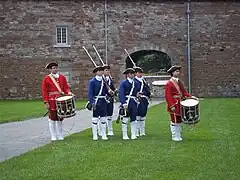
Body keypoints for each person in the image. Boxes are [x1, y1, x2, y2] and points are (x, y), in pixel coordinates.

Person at [42, 62, 73, 141]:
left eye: (56, 68)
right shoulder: (47, 78)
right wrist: (46, 102)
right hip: (51, 100)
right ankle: (53, 135)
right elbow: (44, 91)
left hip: (61, 99)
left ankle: (60, 135)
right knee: (52, 118)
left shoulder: (62, 77)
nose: (55, 69)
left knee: (60, 117)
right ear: (50, 69)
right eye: (53, 68)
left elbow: (66, 87)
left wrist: (69, 93)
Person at [165, 65, 192, 141]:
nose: (178, 72)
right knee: (174, 120)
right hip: (174, 103)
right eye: (176, 71)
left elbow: (184, 91)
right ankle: (174, 136)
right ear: (172, 73)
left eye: (178, 71)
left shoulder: (179, 81)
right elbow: (168, 96)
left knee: (179, 120)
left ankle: (178, 135)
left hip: (180, 103)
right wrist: (171, 105)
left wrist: (190, 96)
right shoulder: (169, 83)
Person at [88, 66, 108, 141]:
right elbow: (90, 93)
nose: (101, 72)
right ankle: (95, 135)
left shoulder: (104, 81)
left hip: (103, 101)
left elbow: (106, 91)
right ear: (96, 72)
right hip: (96, 101)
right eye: (100, 71)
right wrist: (92, 102)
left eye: (102, 70)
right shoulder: (92, 81)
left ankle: (103, 134)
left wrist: (110, 92)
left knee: (103, 118)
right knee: (95, 119)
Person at [118, 68, 139, 140]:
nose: (132, 75)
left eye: (133, 73)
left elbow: (136, 93)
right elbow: (121, 93)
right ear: (127, 74)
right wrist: (123, 103)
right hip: (126, 102)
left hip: (133, 102)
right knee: (125, 119)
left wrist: (138, 95)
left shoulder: (136, 83)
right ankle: (125, 135)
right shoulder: (123, 83)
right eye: (130, 73)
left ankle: (133, 134)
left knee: (134, 118)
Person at [133, 67, 151, 136]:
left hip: (144, 99)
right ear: (135, 73)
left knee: (143, 115)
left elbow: (147, 91)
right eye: (138, 73)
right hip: (137, 99)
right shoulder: (134, 81)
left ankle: (142, 131)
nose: (140, 74)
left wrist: (146, 93)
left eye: (141, 73)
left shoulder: (143, 81)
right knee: (137, 115)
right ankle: (136, 131)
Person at [102, 64, 117, 136]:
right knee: (102, 116)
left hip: (110, 99)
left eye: (108, 70)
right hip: (103, 99)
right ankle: (102, 130)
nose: (107, 71)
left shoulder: (110, 79)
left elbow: (113, 88)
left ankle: (110, 130)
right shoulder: (101, 79)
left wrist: (114, 91)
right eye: (106, 70)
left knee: (110, 115)